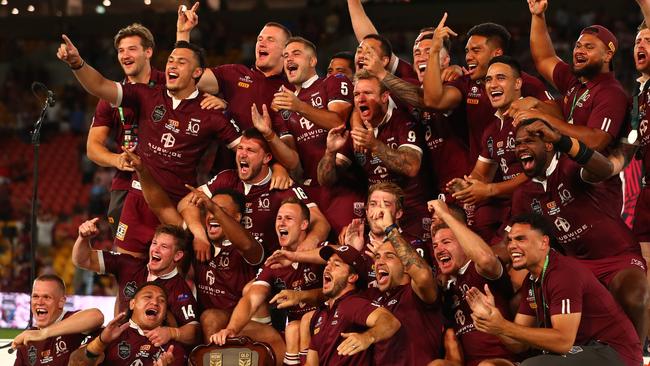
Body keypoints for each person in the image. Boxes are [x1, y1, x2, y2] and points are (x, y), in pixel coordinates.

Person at [57, 36, 243, 258]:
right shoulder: (145, 95)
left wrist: (227, 109)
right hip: (137, 201)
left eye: (181, 62)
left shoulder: (211, 112)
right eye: (170, 61)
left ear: (197, 73)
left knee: (171, 278)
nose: (172, 65)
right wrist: (77, 63)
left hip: (177, 205)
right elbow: (100, 86)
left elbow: (246, 149)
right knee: (128, 275)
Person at [509, 118, 649, 339]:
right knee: (522, 303)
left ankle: (639, 357)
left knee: (634, 296)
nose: (521, 147)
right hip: (576, 267)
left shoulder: (569, 166)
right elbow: (514, 240)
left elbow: (604, 169)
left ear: (547, 144)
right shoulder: (523, 195)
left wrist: (562, 140)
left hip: (617, 256)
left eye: (529, 141)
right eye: (517, 143)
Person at [121, 146, 265, 344]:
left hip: (247, 325)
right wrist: (143, 171)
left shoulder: (249, 246)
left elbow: (247, 245)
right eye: (209, 210)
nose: (212, 215)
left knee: (210, 318)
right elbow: (161, 206)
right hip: (209, 328)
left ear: (238, 217)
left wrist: (212, 206)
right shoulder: (196, 241)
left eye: (221, 210)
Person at [466, 213, 642, 366]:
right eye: (510, 240)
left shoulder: (563, 273)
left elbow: (563, 341)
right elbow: (519, 344)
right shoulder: (532, 280)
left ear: (544, 243)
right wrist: (494, 324)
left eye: (520, 239)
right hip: (583, 351)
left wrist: (503, 325)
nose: (511, 246)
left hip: (614, 354)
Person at [524, 0, 629, 214]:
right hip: (567, 186)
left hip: (596, 193)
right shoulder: (574, 80)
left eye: (589, 47)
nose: (579, 51)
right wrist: (538, 16)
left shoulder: (611, 92)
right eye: (578, 46)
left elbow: (596, 140)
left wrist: (546, 120)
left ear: (608, 55)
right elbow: (544, 58)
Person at [253, 36, 363, 235]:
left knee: (347, 249)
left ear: (312, 61)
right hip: (309, 191)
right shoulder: (283, 104)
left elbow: (338, 122)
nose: (289, 60)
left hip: (342, 187)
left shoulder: (333, 82)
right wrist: (269, 134)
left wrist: (300, 107)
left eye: (296, 54)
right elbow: (294, 163)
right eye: (285, 56)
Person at [422, 15, 555, 161]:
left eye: (476, 50)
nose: (468, 57)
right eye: (467, 51)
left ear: (496, 54)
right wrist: (434, 51)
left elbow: (557, 117)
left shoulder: (527, 83)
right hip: (481, 174)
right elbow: (433, 101)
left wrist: (535, 103)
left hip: (522, 175)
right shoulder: (466, 83)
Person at [180, 128, 331, 257]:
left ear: (267, 158)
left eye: (250, 150)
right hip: (225, 261)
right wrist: (200, 237)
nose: (242, 154)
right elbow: (185, 204)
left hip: (263, 265)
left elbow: (321, 222)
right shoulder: (226, 178)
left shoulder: (282, 186)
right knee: (181, 230)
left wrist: (306, 247)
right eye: (240, 148)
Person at [318, 71, 431, 241]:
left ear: (385, 97)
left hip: (411, 214)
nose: (360, 99)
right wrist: (330, 153)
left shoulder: (402, 121)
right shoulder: (355, 132)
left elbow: (411, 166)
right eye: (356, 94)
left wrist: (374, 145)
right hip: (375, 219)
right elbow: (325, 180)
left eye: (368, 93)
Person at [211, 198, 323, 366]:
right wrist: (231, 329)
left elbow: (341, 257)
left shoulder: (323, 250)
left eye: (289, 218)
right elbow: (251, 299)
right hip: (291, 329)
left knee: (301, 325)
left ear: (304, 224)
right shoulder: (275, 261)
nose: (281, 223)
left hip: (323, 324)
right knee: (245, 329)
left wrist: (297, 258)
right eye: (279, 218)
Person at [86, 23, 165, 239]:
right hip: (127, 183)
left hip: (166, 179)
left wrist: (214, 100)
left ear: (148, 52)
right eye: (120, 50)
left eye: (131, 49)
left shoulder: (168, 84)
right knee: (127, 257)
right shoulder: (112, 96)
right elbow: (93, 148)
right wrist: (116, 160)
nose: (124, 55)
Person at [71, 221, 200, 346]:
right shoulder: (129, 265)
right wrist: (83, 238)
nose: (156, 249)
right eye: (154, 243)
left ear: (177, 256)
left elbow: (194, 331)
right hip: (116, 341)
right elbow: (83, 260)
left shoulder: (180, 290)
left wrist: (172, 333)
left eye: (164, 247)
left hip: (150, 351)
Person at [447, 56, 529, 242]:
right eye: (488, 79)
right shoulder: (492, 129)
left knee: (494, 256)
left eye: (500, 78)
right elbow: (481, 174)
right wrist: (467, 186)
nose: (492, 85)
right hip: (512, 209)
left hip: (536, 208)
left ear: (517, 83)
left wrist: (490, 190)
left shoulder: (529, 121)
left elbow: (537, 174)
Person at [429, 199, 518, 365]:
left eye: (446, 242)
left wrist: (445, 215)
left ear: (464, 243)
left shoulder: (480, 270)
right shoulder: (447, 289)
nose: (439, 249)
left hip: (504, 361)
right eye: (435, 246)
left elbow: (485, 258)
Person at [361, 198, 444, 365]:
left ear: (406, 266)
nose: (379, 262)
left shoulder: (415, 293)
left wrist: (390, 230)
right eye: (377, 257)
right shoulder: (372, 297)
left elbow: (423, 275)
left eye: (389, 256)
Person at [305, 245, 401, 365]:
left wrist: (367, 337)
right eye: (327, 263)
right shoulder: (321, 313)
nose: (327, 268)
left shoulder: (352, 304)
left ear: (352, 277)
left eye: (336, 264)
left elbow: (391, 322)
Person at [68, 282, 186, 366]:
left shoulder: (172, 350)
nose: (155, 302)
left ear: (165, 314)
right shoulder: (108, 333)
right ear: (132, 304)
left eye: (161, 300)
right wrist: (101, 342)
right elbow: (75, 362)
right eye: (148, 297)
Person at [11, 275, 104, 366]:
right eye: (35, 296)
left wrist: (42, 333)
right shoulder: (27, 338)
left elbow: (97, 316)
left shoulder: (72, 321)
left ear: (61, 302)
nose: (39, 302)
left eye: (46, 297)